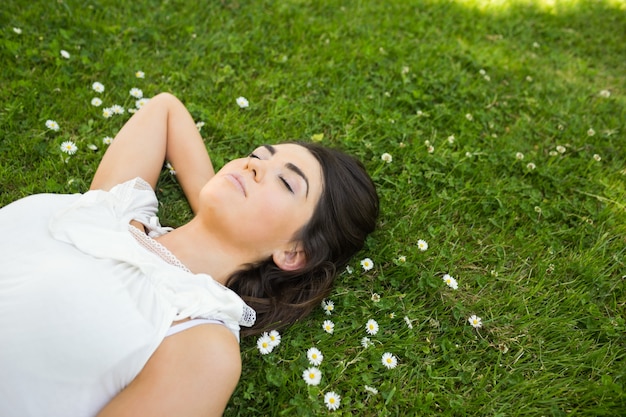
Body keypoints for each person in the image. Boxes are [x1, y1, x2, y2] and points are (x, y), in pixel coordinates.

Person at [0, 93, 378, 417]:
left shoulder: (199, 340)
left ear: (293, 253)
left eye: (285, 182)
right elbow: (165, 109)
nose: (254, 166)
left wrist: (229, 220)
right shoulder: (118, 209)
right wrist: (216, 210)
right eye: (258, 156)